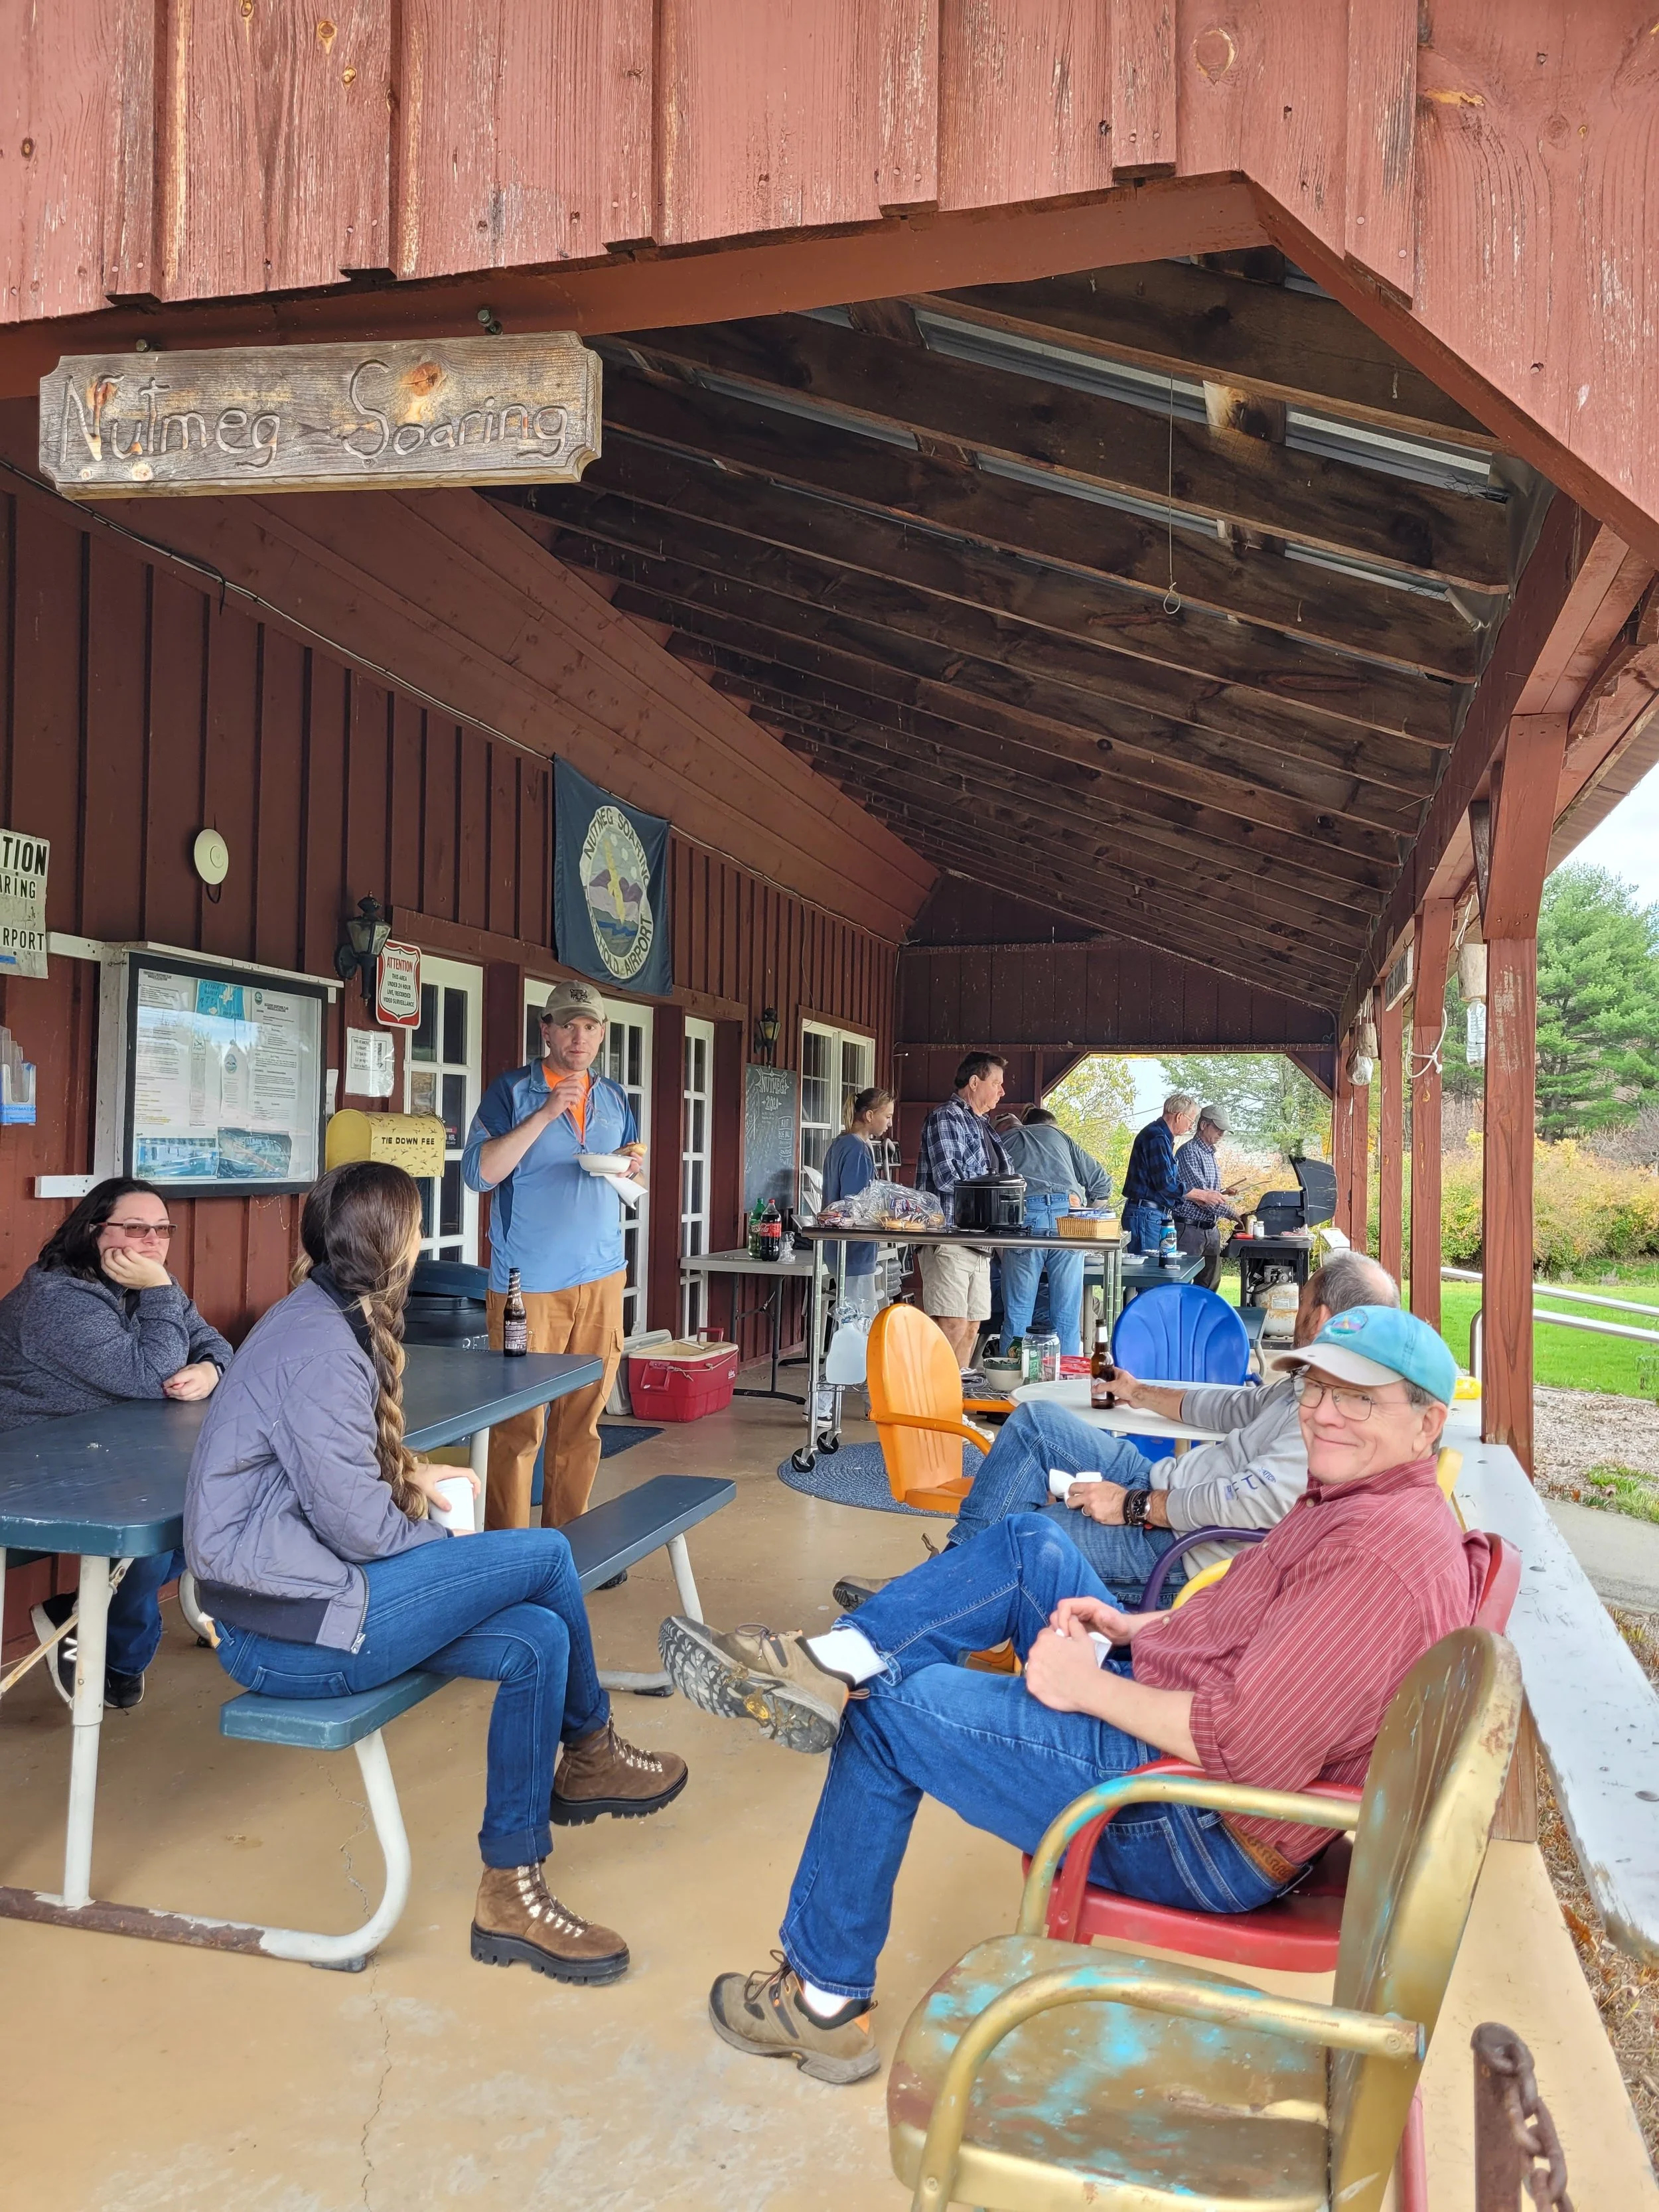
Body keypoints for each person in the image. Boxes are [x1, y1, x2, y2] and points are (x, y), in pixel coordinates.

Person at [658, 1305, 1481, 2083]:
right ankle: (828, 1660)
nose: (1324, 1414)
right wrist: (1132, 1628)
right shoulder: (1356, 1499)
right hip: (1180, 1741)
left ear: (1427, 1422)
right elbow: (1242, 1617)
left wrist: (1085, 1685)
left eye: (1358, 1399)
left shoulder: (1375, 1558)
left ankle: (821, 2001)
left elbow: (1246, 1744)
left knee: (886, 1707)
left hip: (1193, 1822)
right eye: (1317, 1389)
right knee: (1029, 1543)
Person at [184, 1161, 687, 1985]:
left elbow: (335, 1482)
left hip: (316, 1594)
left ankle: (510, 1890)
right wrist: (443, 1541)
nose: (424, 1242)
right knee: (545, 1555)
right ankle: (592, 1748)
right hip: (284, 1630)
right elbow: (361, 1528)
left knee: (536, 1639)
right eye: (417, 1229)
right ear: (391, 1247)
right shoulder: (318, 1346)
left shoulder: (324, 1316)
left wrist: (413, 1478)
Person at [835, 1252, 1398, 1611]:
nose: (1293, 1316)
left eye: (1302, 1304)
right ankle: (948, 1582)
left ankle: (922, 1602)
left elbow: (1255, 1502)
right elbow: (1233, 1405)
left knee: (1026, 1533)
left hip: (1183, 1548)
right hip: (1166, 1488)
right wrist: (1139, 1391)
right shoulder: (1313, 1381)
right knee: (1036, 1422)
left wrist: (1133, 1505)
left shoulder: (1337, 1414)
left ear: (1321, 1318)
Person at [0, 1178, 232, 1710]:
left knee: (212, 1510)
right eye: (134, 1227)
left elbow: (212, 1341)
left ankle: (82, 1611)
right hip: (29, 1463)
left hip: (107, 1451)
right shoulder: (57, 1300)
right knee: (148, 1532)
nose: (152, 1241)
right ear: (93, 1231)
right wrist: (161, 1291)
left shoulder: (148, 1283)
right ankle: (122, 1659)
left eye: (162, 1230)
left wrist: (211, 1369)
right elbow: (151, 1374)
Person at [463, 978, 645, 1531]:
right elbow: (479, 1173)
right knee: (518, 1425)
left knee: (582, 1423)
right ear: (546, 1031)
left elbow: (634, 1171)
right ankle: (511, 1552)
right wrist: (544, 1114)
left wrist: (632, 1165)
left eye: (589, 1027)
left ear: (602, 1034)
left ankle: (569, 1541)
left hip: (603, 1277)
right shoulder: (511, 1091)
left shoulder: (614, 1098)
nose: (579, 1037)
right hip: (529, 1285)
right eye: (568, 1025)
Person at [912, 1053, 1009, 1370]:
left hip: (980, 1241)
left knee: (971, 1326)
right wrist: (995, 1193)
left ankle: (955, 1396)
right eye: (996, 1083)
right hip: (950, 1235)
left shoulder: (983, 1126)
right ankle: (927, 1395)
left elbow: (1005, 1179)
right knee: (950, 1324)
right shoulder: (946, 1118)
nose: (1002, 1091)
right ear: (974, 1082)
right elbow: (948, 1178)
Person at [996, 1106, 1112, 1357]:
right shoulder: (1057, 1135)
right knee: (1067, 1317)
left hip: (1026, 1215)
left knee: (1018, 1314)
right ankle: (1066, 1378)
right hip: (1067, 1216)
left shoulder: (1001, 1142)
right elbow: (1102, 1183)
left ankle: (1010, 1378)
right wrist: (1086, 1215)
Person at [1121, 1092, 1230, 1257]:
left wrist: (1196, 1197)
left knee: (1157, 1267)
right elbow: (1166, 1184)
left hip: (1152, 1213)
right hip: (1146, 1213)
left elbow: (1168, 1182)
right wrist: (1203, 1195)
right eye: (1191, 1121)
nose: (1191, 1127)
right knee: (1149, 1268)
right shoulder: (1156, 1137)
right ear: (1179, 1116)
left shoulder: (1161, 1137)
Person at [819, 1087, 897, 1317]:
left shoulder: (840, 1143)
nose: (890, 1123)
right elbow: (855, 1204)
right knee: (858, 1320)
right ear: (870, 1116)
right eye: (888, 1116)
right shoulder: (858, 1150)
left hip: (837, 1248)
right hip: (854, 1249)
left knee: (849, 1316)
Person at [1172, 1104, 1241, 1291]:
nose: (1222, 1134)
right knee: (1182, 1285)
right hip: (1189, 1230)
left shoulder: (1209, 1154)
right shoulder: (1189, 1152)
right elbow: (1203, 1197)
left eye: (1224, 1130)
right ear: (1203, 1125)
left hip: (1211, 1229)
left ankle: (1204, 1312)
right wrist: (1234, 1215)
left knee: (1210, 1287)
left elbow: (1207, 1192)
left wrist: (1224, 1192)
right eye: (1218, 1129)